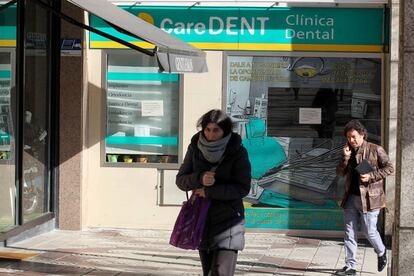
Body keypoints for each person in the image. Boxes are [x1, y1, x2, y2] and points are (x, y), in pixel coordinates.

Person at [176, 109, 251, 276]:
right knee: (208, 272)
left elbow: (243, 188)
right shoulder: (195, 148)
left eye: (216, 130)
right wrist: (200, 178)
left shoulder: (237, 151)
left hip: (228, 221)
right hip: (201, 219)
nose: (211, 134)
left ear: (225, 131)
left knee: (220, 272)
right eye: (207, 129)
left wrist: (210, 191)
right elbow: (181, 180)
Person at [336, 120, 393, 275]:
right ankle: (350, 266)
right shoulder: (348, 151)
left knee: (370, 231)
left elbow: (389, 168)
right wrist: (345, 158)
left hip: (370, 199)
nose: (351, 140)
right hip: (351, 198)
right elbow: (340, 173)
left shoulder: (376, 149)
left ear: (362, 134)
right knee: (350, 232)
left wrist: (372, 176)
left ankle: (381, 252)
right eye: (348, 137)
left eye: (353, 136)